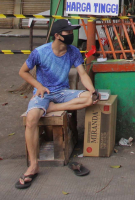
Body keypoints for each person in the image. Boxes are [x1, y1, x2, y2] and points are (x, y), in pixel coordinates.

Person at [15, 19, 98, 189]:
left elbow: (82, 74)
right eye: (68, 32)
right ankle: (33, 165)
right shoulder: (40, 52)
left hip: (62, 93)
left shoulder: (73, 51)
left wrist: (92, 90)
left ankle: (52, 108)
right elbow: (23, 72)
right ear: (57, 36)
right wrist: (38, 86)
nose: (71, 35)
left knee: (90, 99)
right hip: (43, 93)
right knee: (31, 120)